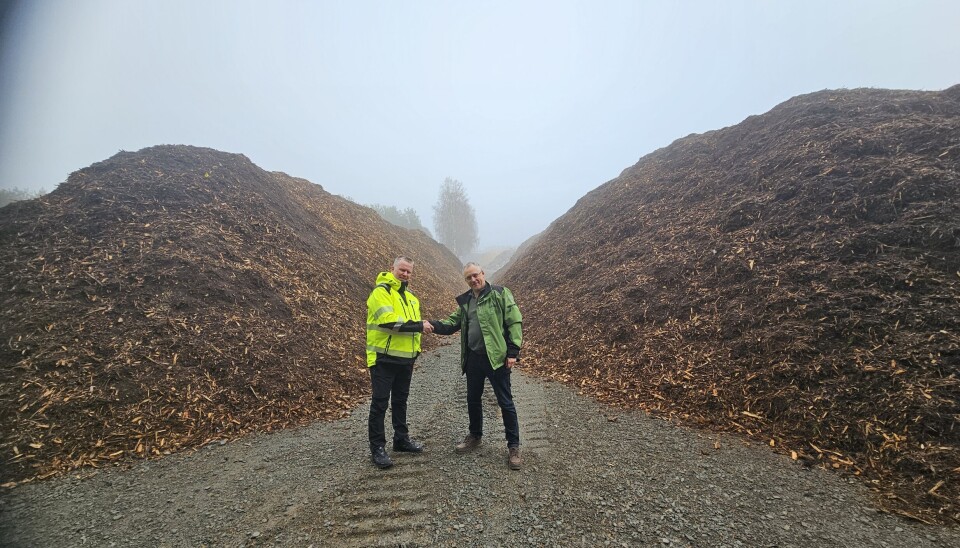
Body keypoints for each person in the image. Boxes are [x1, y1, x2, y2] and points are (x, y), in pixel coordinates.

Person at [428, 262, 524, 470]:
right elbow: (451, 323)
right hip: (473, 358)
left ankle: (513, 446)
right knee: (472, 399)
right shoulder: (466, 302)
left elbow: (514, 321)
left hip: (496, 358)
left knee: (505, 402)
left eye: (475, 275)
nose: (473, 280)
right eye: (468, 278)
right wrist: (430, 325)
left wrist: (513, 352)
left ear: (483, 274)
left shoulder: (500, 294)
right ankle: (475, 435)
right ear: (466, 281)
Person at [365, 256, 434, 469]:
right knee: (380, 403)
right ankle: (378, 447)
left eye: (409, 271)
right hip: (384, 358)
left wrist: (416, 351)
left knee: (400, 401)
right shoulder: (381, 292)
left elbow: (413, 329)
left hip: (406, 359)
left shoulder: (412, 297)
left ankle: (401, 439)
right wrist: (419, 326)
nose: (405, 274)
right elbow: (388, 321)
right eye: (402, 270)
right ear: (392, 269)